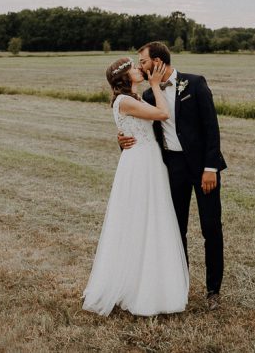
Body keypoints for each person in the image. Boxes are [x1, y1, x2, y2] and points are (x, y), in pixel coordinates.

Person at [119, 41, 227, 309]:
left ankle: (213, 291)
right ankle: (180, 285)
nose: (140, 66)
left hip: (203, 167)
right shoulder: (146, 97)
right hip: (171, 167)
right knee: (174, 229)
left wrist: (210, 168)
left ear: (157, 61)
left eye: (142, 61)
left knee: (210, 227)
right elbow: (136, 127)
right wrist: (121, 139)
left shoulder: (195, 83)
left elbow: (211, 128)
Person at [82, 57, 190, 316]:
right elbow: (162, 114)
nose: (139, 69)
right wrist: (154, 84)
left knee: (151, 219)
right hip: (140, 163)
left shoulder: (134, 98)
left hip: (149, 160)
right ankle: (137, 287)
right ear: (123, 76)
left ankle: (150, 281)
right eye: (133, 67)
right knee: (140, 219)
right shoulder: (127, 100)